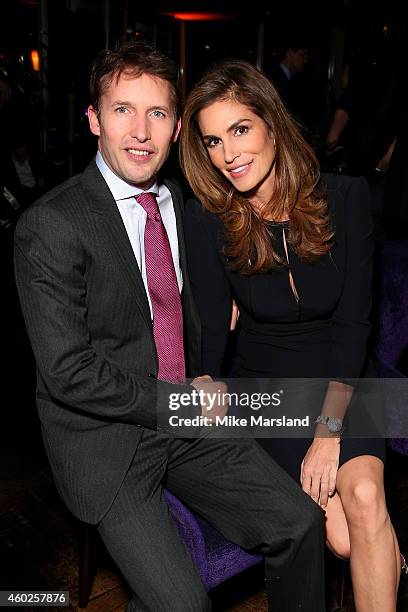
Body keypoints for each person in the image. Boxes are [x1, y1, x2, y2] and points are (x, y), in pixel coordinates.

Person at [14, 41, 326, 612]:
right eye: (122, 109)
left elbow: (191, 301)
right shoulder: (51, 225)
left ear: (177, 128)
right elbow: (67, 373)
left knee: (301, 523)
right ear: (93, 120)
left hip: (188, 420)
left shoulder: (179, 204)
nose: (140, 130)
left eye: (156, 113)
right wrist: (177, 401)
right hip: (110, 441)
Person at [180, 58, 402, 612]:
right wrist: (204, 379)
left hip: (348, 376)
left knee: (367, 498)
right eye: (212, 141)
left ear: (271, 126)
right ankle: (391, 560)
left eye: (240, 130)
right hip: (270, 389)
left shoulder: (347, 198)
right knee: (346, 538)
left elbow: (355, 325)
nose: (228, 155)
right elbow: (209, 327)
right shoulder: (210, 220)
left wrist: (329, 434)